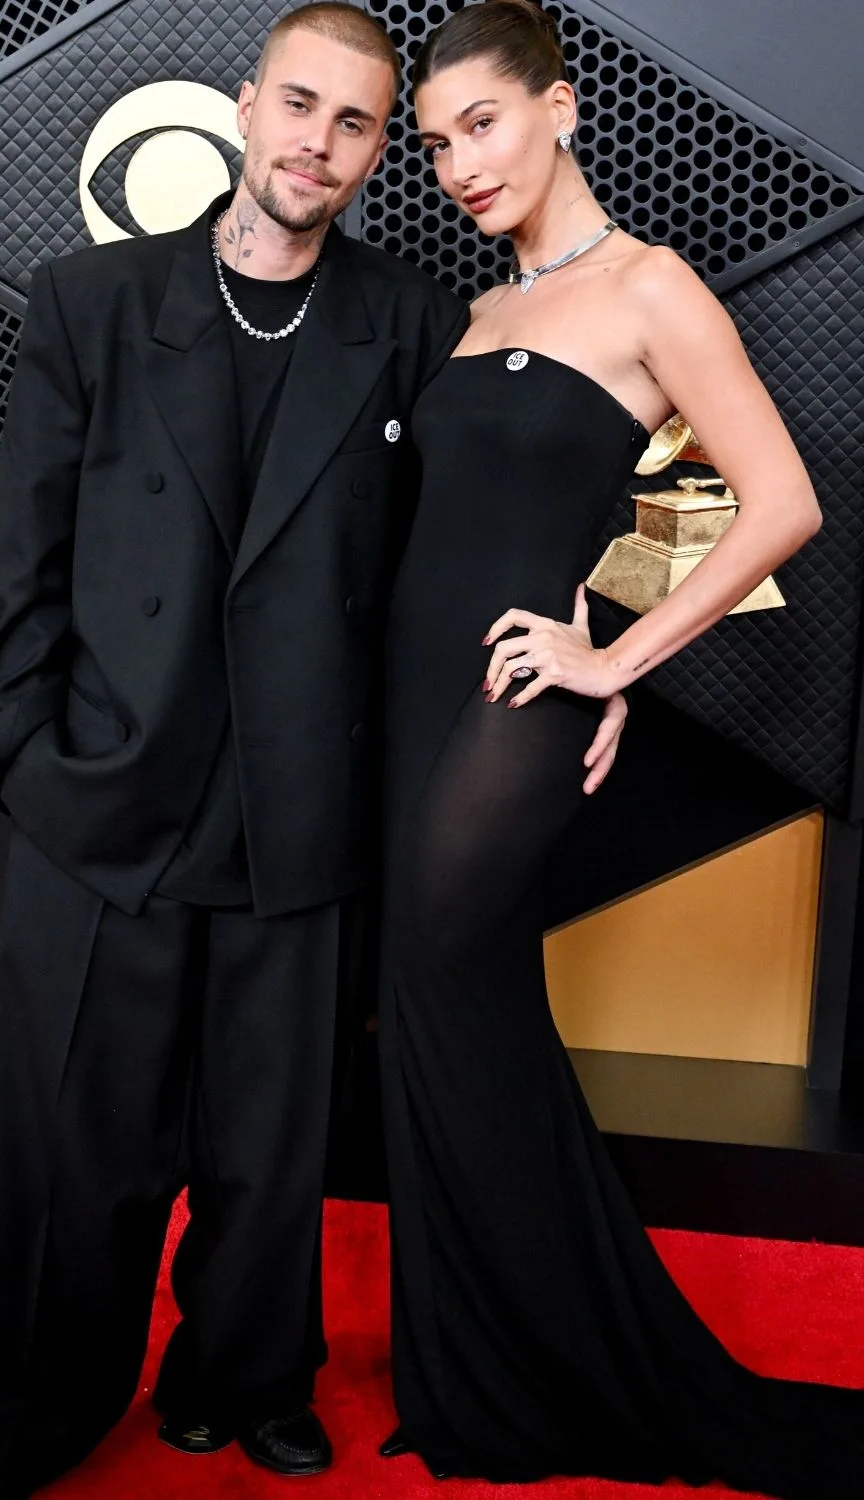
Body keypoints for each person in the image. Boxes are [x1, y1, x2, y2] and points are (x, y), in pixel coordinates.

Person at [0, 6, 630, 1498]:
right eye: (300, 106)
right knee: (75, 1145)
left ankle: (243, 1376)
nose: (319, 143)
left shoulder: (410, 321)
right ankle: (19, 1424)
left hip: (303, 799)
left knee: (271, 1149)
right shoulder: (92, 299)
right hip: (105, 796)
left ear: (379, 150)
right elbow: (26, 563)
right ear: (244, 107)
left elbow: (523, 490)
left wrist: (601, 641)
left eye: (358, 123)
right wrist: (30, 757)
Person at [376, 3, 864, 1496]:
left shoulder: (652, 288)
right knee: (440, 1029)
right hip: (413, 705)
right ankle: (490, 1372)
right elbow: (623, 513)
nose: (460, 163)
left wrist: (610, 663)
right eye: (436, 141)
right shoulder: (476, 311)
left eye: (483, 124)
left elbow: (777, 495)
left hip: (508, 713)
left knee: (448, 1003)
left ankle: (571, 1379)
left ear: (563, 107)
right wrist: (615, 637)